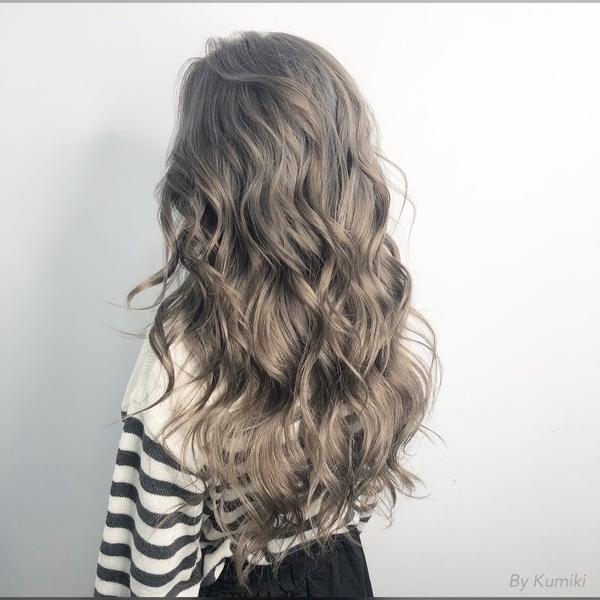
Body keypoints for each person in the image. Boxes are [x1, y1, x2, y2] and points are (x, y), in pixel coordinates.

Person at [93, 31, 439, 598]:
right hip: (340, 573)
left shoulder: (185, 351)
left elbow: (149, 571)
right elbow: (355, 496)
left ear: (209, 178)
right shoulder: (371, 307)